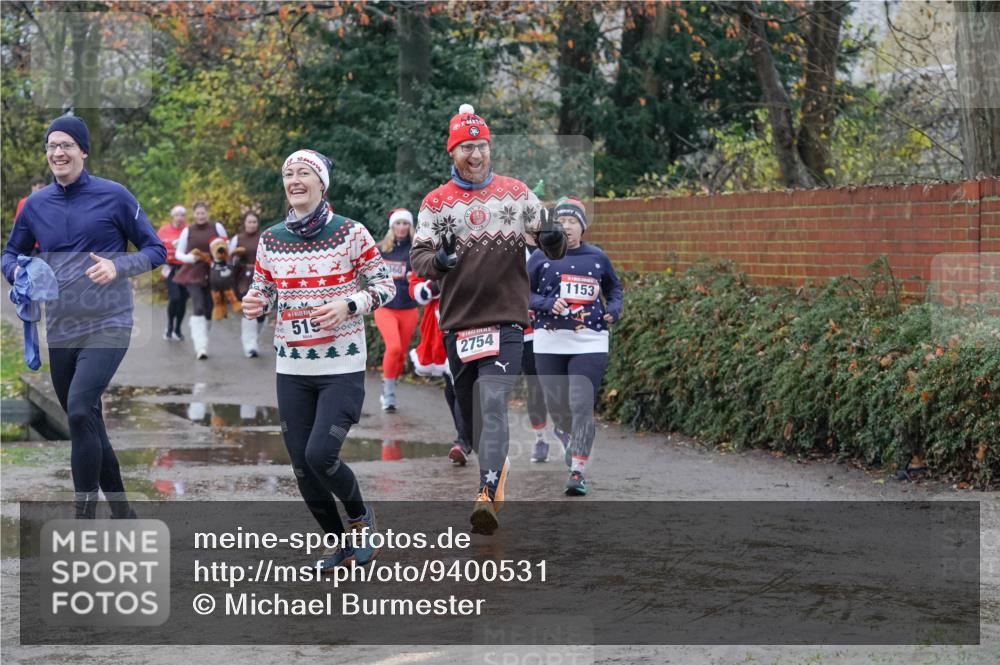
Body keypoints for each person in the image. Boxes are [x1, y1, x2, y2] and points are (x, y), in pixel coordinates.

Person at [410, 104, 566, 535]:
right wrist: (439, 260)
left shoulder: (516, 194)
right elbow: (419, 257)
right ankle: (495, 466)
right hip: (459, 323)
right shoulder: (436, 203)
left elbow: (551, 244)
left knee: (492, 402)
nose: (475, 155)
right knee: (472, 416)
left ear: (489, 148)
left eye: (480, 146)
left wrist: (551, 239)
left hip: (507, 321)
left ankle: (486, 493)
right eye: (465, 148)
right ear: (452, 153)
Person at [1, 115, 166, 519]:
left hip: (110, 322)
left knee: (77, 409)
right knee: (87, 419)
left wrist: (118, 267)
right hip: (61, 327)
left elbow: (156, 249)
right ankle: (123, 512)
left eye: (67, 145)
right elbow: (9, 253)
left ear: (83, 151)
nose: (58, 153)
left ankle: (83, 518)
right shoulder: (36, 206)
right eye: (52, 146)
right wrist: (19, 272)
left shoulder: (115, 197)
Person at [242, 149, 395, 570]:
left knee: (320, 454)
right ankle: (340, 544)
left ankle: (362, 520)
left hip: (340, 365)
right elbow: (265, 289)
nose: (294, 179)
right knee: (301, 467)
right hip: (292, 367)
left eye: (304, 172)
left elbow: (385, 286)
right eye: (288, 173)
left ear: (321, 183)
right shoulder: (271, 238)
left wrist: (350, 304)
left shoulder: (351, 233)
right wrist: (256, 302)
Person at [528, 197, 623, 495]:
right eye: (562, 222)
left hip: (590, 339)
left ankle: (578, 472)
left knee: (582, 405)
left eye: (572, 222)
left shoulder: (597, 257)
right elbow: (518, 292)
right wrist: (545, 303)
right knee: (558, 408)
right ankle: (565, 433)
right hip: (549, 340)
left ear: (582, 228)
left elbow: (614, 287)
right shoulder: (540, 257)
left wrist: (614, 309)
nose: (566, 227)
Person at [407, 271, 470, 461]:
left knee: (460, 383)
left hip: (468, 317)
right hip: (438, 324)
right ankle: (464, 437)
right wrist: (436, 284)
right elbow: (416, 289)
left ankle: (463, 441)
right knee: (451, 385)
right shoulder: (429, 248)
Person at [373, 208, 419, 411]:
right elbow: (369, 275)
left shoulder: (417, 250)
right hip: (386, 307)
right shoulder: (381, 249)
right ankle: (389, 395)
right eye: (398, 223)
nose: (401, 227)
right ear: (392, 226)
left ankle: (390, 383)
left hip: (408, 308)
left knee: (400, 354)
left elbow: (426, 275)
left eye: (405, 223)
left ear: (410, 226)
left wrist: (416, 278)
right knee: (394, 348)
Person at [172, 201, 227, 359]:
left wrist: (222, 261)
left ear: (207, 213)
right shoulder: (187, 231)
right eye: (198, 213)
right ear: (193, 215)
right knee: (199, 306)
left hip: (213, 271)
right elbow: (178, 254)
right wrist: (190, 258)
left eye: (203, 213)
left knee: (209, 309)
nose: (200, 216)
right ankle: (200, 347)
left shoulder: (217, 227)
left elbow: (226, 246)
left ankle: (202, 336)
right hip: (193, 272)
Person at [229, 209, 264, 358]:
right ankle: (250, 345)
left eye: (254, 222)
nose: (251, 224)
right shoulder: (237, 238)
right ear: (244, 223)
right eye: (249, 221)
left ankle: (252, 337)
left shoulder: (264, 237)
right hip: (243, 277)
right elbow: (229, 259)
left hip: (262, 276)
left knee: (262, 313)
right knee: (250, 309)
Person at [157, 205, 189, 341]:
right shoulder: (164, 230)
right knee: (174, 297)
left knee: (183, 300)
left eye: (182, 215)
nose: (179, 218)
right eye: (177, 215)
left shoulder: (188, 230)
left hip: (185, 268)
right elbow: (156, 247)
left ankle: (178, 329)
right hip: (170, 268)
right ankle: (169, 326)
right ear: (172, 216)